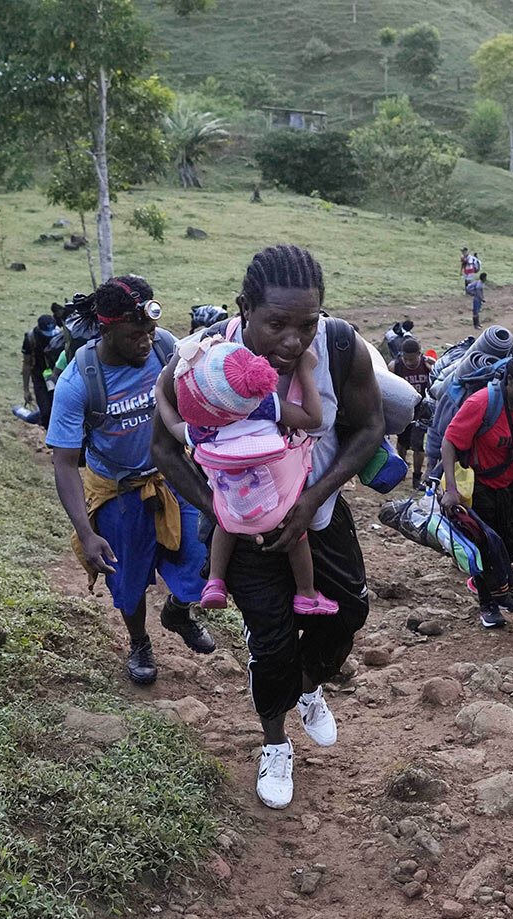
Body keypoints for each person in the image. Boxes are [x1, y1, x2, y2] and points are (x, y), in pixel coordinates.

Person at [152, 244, 385, 811]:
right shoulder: (200, 359)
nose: (292, 341)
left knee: (349, 613)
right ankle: (276, 743)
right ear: (245, 310)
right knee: (273, 643)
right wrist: (220, 509)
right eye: (277, 323)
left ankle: (309, 688)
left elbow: (370, 426)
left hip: (318, 518)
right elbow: (164, 445)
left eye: (306, 323)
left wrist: (311, 500)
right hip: (245, 534)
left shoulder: (338, 346)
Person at [48, 276, 216, 686]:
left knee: (207, 555)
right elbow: (65, 464)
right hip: (118, 490)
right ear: (106, 329)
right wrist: (86, 534)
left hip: (173, 474)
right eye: (134, 334)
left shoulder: (165, 349)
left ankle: (178, 609)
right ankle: (139, 641)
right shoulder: (77, 384)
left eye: (150, 331)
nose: (146, 341)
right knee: (127, 580)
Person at [163, 336, 336, 616]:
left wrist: (161, 396)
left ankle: (215, 581)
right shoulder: (262, 407)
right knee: (297, 537)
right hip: (277, 507)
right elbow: (314, 418)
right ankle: (307, 593)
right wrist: (304, 369)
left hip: (233, 508)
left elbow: (173, 427)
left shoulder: (203, 429)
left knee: (225, 521)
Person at [440, 347, 513, 628]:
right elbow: (449, 443)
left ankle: (496, 580)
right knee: (487, 548)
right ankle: (488, 603)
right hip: (482, 487)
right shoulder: (482, 403)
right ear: (510, 382)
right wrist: (452, 490)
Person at [389, 338, 436, 488]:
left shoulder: (427, 365)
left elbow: (437, 383)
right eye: (406, 359)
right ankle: (401, 471)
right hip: (402, 409)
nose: (409, 362)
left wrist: (433, 368)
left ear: (419, 354)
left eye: (412, 359)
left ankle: (416, 478)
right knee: (402, 443)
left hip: (421, 411)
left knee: (418, 446)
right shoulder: (395, 366)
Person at [22, 313, 62, 427]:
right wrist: (26, 390)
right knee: (45, 412)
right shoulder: (31, 338)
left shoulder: (60, 335)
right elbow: (26, 363)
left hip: (58, 376)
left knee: (58, 409)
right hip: (39, 377)